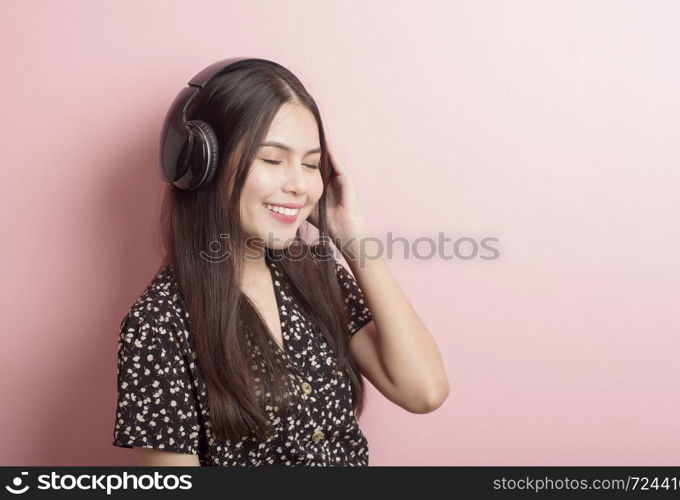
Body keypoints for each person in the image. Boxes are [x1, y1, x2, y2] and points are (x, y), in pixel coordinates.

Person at [112, 58, 449, 466]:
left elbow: (424, 391)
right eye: (273, 160)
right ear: (203, 164)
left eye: (311, 164)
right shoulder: (159, 323)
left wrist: (352, 236)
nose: (299, 185)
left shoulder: (317, 276)